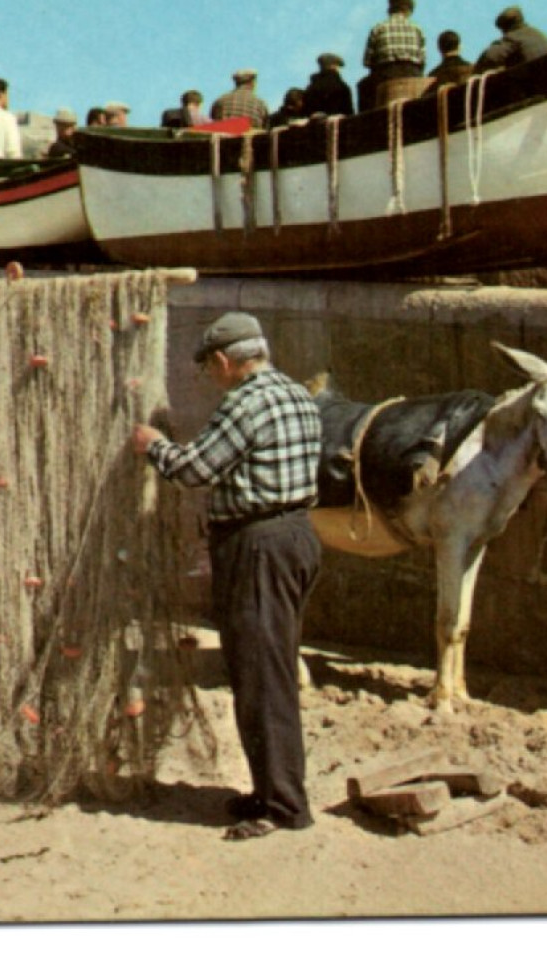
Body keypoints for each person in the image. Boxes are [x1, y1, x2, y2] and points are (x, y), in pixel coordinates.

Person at [131, 312, 322, 842]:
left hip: (258, 545)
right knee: (272, 666)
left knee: (261, 675)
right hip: (296, 537)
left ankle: (284, 806)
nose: (211, 380)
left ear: (223, 361)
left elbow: (196, 470)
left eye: (210, 370)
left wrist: (153, 447)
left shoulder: (245, 402)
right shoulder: (294, 393)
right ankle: (270, 790)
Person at [363, 0, 426, 106]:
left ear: (390, 9)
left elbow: (367, 62)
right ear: (408, 11)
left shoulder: (378, 28)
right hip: (412, 75)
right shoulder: (417, 29)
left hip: (385, 76)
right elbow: (423, 61)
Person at [473, 6, 547, 74]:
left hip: (535, 81)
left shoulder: (513, 37)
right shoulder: (535, 33)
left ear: (505, 28)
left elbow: (490, 56)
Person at [300, 54, 355, 118]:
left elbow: (306, 112)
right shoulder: (341, 86)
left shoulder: (310, 88)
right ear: (334, 66)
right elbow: (348, 112)